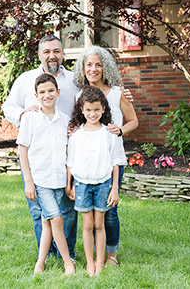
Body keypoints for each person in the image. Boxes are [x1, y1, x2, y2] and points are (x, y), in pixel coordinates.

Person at [2, 34, 80, 260]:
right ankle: (44, 254)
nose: (52, 56)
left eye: (56, 51)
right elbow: (9, 106)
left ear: (63, 53)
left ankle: (68, 254)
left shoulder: (74, 81)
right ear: (39, 55)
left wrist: (121, 95)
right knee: (38, 211)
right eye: (46, 52)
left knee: (68, 208)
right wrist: (22, 114)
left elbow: (91, 102)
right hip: (37, 156)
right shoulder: (25, 79)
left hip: (65, 156)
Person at [73, 46, 138, 266]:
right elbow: (77, 127)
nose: (94, 69)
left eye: (98, 64)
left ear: (105, 67)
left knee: (109, 210)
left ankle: (111, 255)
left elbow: (133, 121)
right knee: (89, 216)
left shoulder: (118, 93)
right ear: (83, 68)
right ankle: (93, 255)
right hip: (88, 164)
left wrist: (121, 130)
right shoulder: (79, 96)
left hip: (113, 160)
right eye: (89, 64)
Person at [17, 73, 75, 275]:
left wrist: (68, 184)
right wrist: (29, 181)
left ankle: (40, 263)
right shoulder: (29, 119)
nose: (47, 95)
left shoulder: (65, 120)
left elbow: (69, 155)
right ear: (36, 95)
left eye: (51, 90)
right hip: (40, 179)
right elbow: (23, 150)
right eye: (42, 92)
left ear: (58, 93)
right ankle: (68, 262)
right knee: (57, 219)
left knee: (47, 221)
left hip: (58, 180)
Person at [65, 86, 123, 276]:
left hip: (103, 183)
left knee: (100, 224)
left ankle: (100, 262)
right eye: (88, 109)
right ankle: (90, 263)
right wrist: (69, 185)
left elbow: (115, 162)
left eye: (97, 109)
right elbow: (70, 162)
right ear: (81, 109)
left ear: (103, 109)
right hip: (81, 184)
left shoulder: (109, 133)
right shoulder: (76, 135)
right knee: (87, 225)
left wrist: (115, 188)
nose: (92, 113)